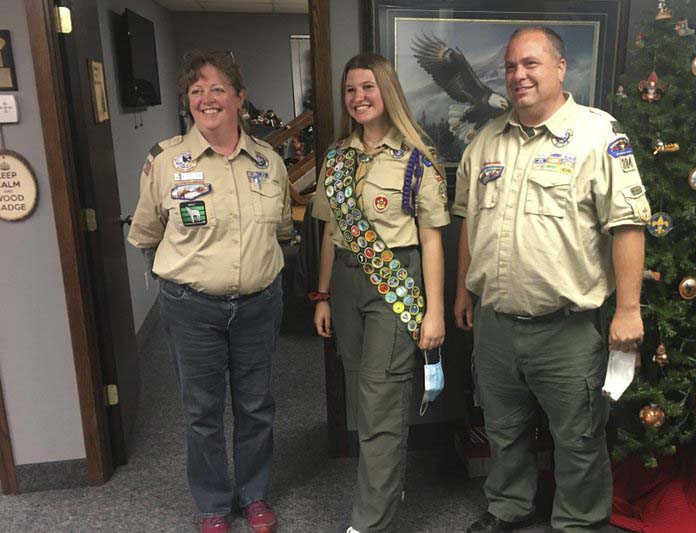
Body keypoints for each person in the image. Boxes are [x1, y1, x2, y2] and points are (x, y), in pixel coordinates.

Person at [453, 27, 650, 533]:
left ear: (561, 68)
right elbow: (469, 224)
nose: (519, 75)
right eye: (512, 66)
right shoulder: (485, 142)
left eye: (532, 64)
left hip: (566, 329)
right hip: (496, 323)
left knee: (579, 437)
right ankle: (508, 506)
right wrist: (462, 290)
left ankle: (580, 523)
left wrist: (628, 309)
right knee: (503, 428)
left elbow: (627, 223)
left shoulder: (598, 135)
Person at [127, 50, 293, 533]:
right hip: (190, 307)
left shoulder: (270, 161)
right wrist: (180, 279)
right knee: (201, 410)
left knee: (256, 404)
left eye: (217, 88)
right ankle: (214, 503)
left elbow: (281, 229)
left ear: (240, 98)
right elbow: (146, 235)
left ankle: (255, 494)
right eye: (196, 91)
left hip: (260, 304)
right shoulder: (164, 162)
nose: (206, 99)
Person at [311, 52, 450, 533]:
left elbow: (432, 239)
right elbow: (330, 231)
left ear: (386, 91)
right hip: (347, 286)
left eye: (368, 87)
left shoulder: (417, 158)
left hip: (394, 282)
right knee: (364, 396)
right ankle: (388, 487)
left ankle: (371, 522)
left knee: (382, 401)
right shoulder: (335, 158)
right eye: (350, 89)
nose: (358, 98)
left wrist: (434, 313)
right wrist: (323, 294)